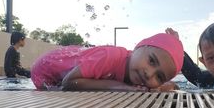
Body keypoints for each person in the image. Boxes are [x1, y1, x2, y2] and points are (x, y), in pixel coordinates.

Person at [31, 33, 184, 91]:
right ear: (138, 46)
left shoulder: (141, 76)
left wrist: (169, 86)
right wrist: (120, 87)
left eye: (159, 77)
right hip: (45, 69)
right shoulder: (110, 56)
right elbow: (68, 82)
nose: (149, 74)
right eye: (151, 61)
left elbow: (156, 89)